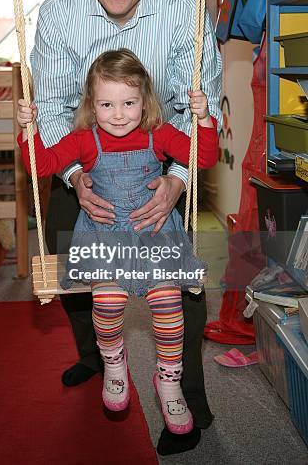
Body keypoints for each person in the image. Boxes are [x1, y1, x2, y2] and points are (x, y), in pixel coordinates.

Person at [29, 0, 222, 453]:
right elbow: (49, 105)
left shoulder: (183, 11)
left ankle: (188, 400)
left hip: (160, 149)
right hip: (83, 150)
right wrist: (73, 175)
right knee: (75, 264)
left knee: (181, 285)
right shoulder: (62, 11)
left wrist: (177, 181)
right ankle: (98, 359)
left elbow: (197, 107)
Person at [18, 49, 218, 435]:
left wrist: (204, 118)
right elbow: (39, 166)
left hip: (154, 234)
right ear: (93, 107)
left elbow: (202, 157)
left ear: (145, 103)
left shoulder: (158, 133)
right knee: (107, 305)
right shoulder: (84, 141)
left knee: (169, 308)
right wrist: (29, 129)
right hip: (105, 236)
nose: (119, 114)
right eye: (107, 104)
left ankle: (169, 380)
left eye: (129, 103)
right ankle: (113, 362)